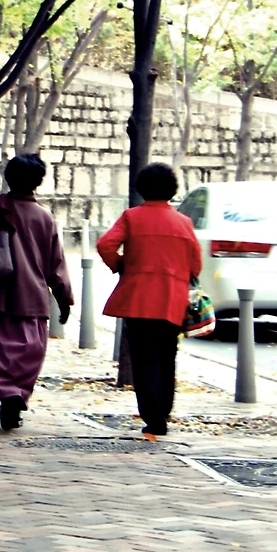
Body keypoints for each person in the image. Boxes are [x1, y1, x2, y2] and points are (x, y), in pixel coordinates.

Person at [0, 153, 73, 432]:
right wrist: (63, 297)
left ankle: (7, 393)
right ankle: (16, 393)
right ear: (39, 181)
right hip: (33, 298)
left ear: (8, 177)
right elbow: (56, 262)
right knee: (30, 351)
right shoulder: (44, 218)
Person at [96, 163, 202, 440]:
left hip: (138, 300)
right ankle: (164, 410)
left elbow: (105, 244)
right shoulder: (184, 222)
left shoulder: (132, 217)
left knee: (143, 359)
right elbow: (196, 265)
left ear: (142, 188)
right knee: (167, 356)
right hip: (172, 300)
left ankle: (153, 417)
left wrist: (121, 264)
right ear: (172, 190)